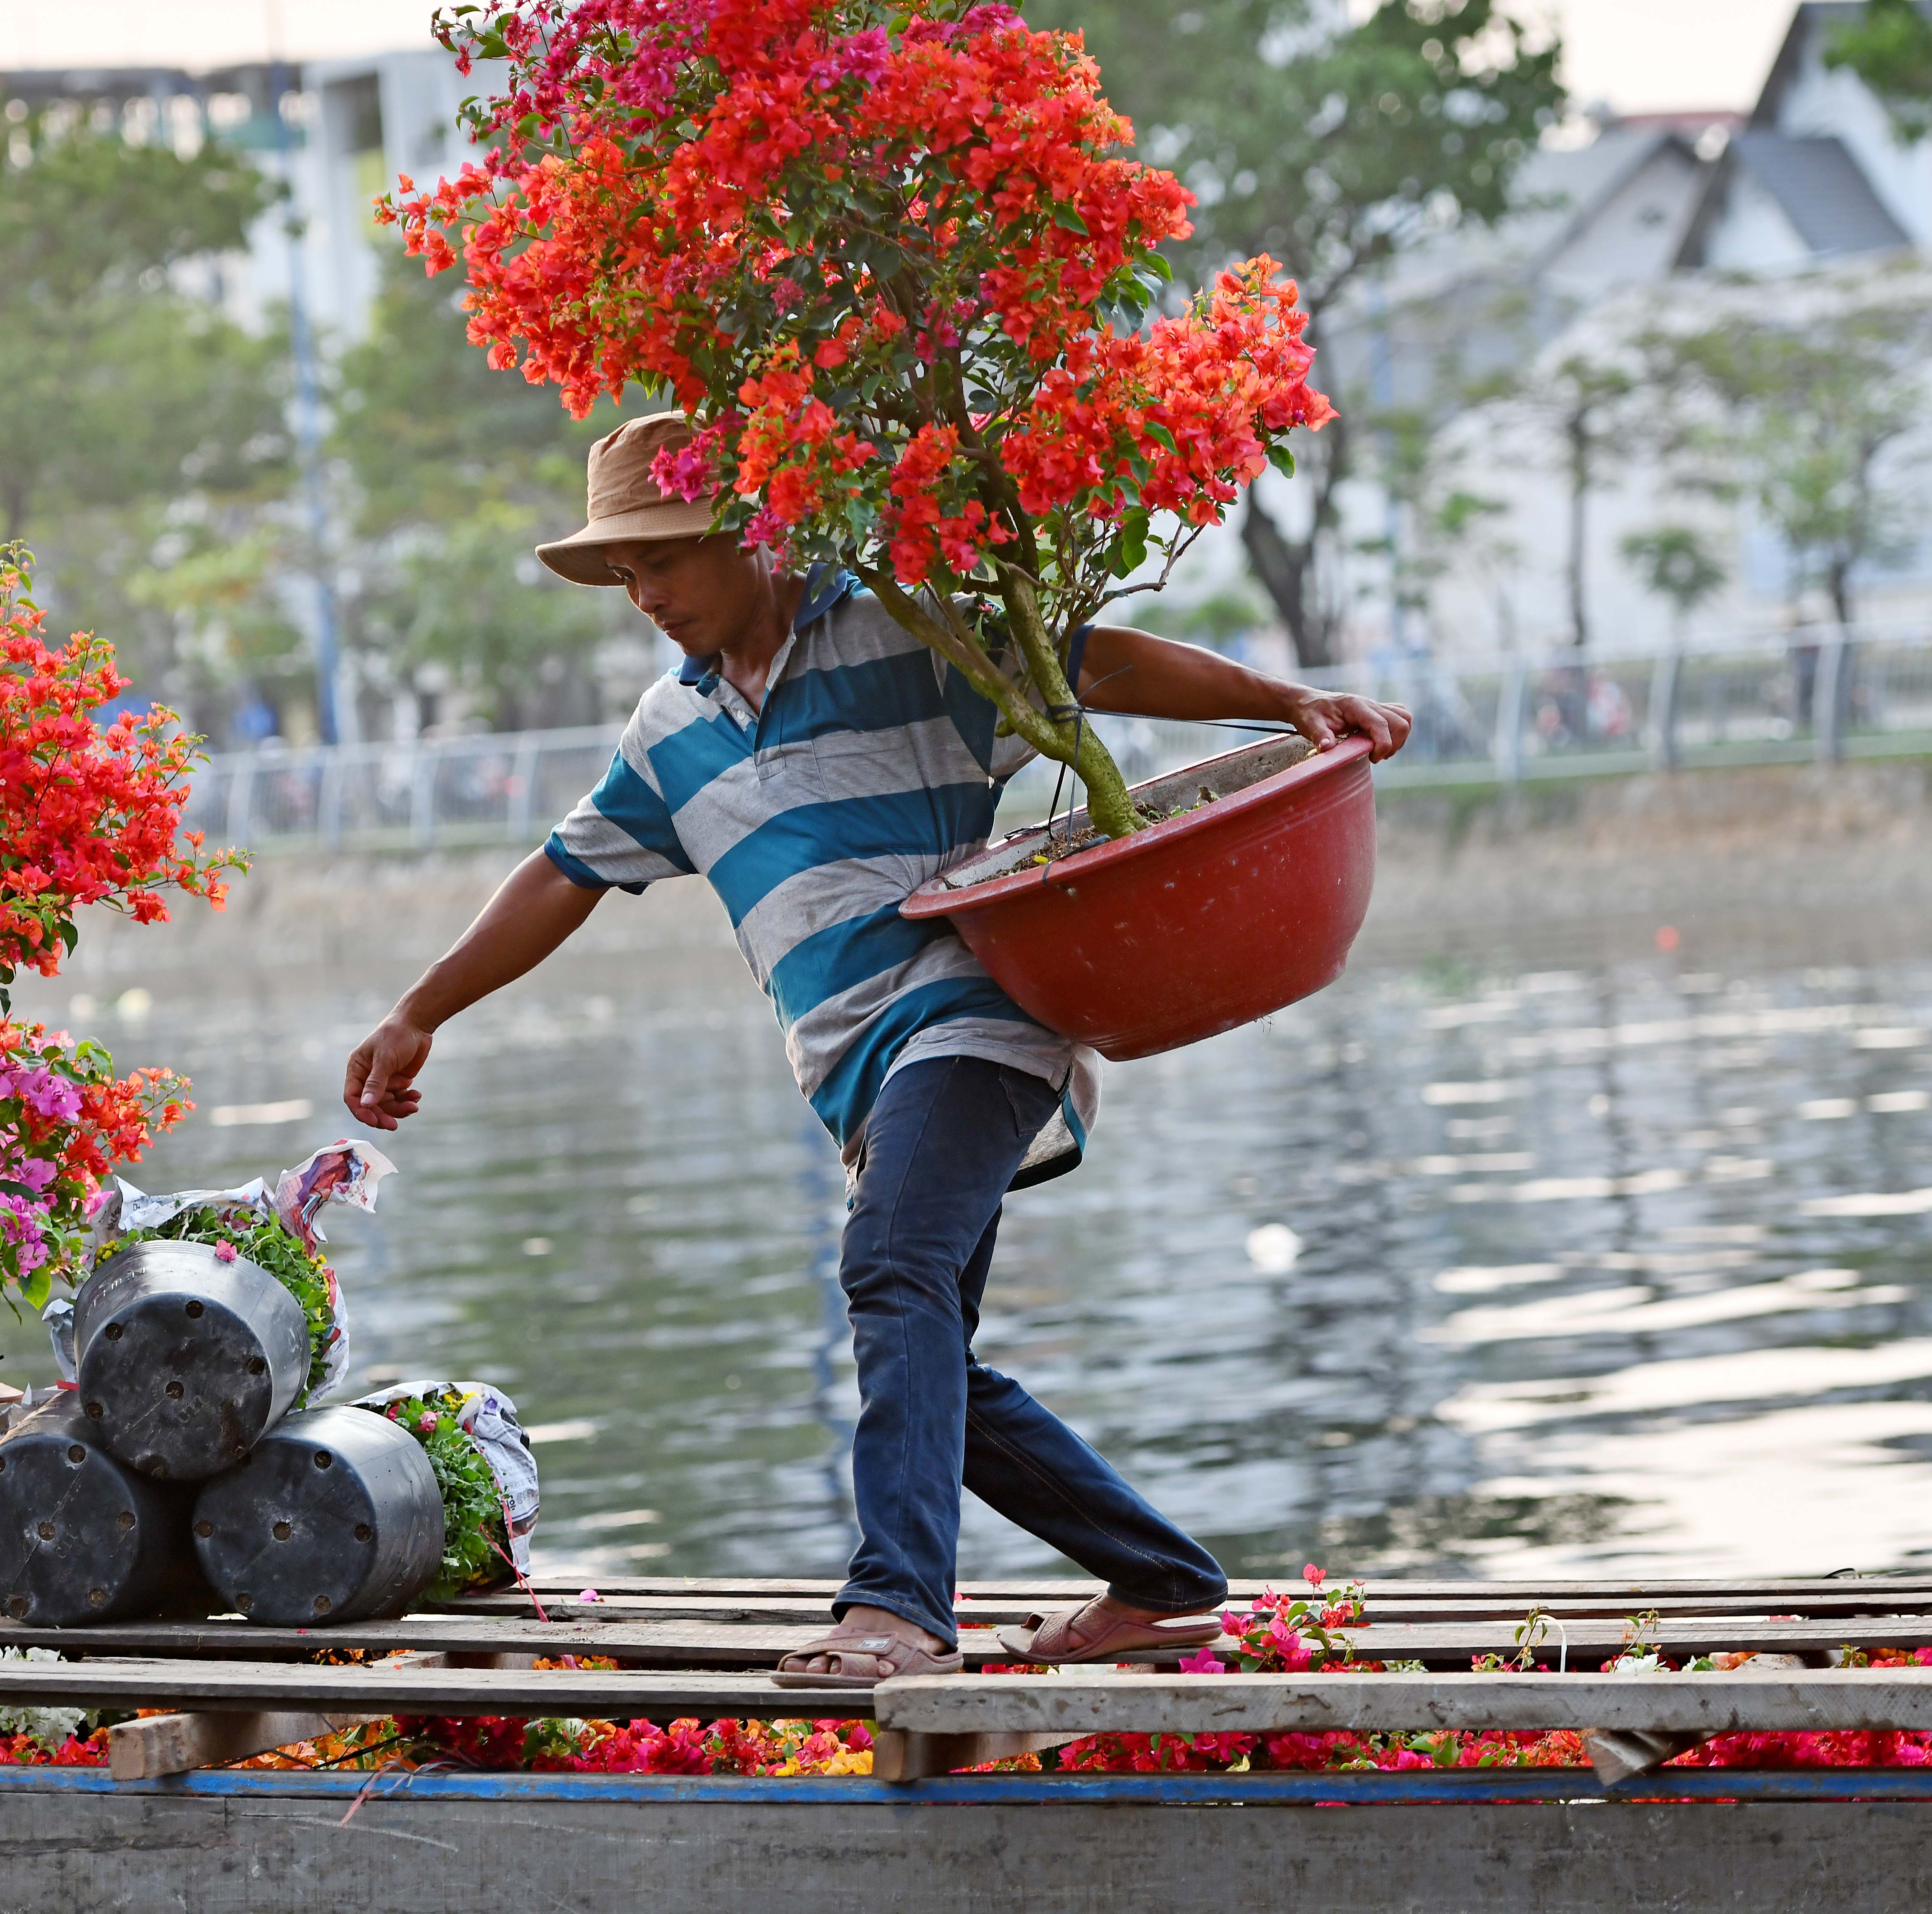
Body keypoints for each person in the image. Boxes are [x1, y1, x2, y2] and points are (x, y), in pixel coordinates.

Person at [341, 412, 1412, 1686]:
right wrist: (420, 1012)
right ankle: (1164, 1582)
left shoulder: (906, 635)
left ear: (757, 536)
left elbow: (1092, 663)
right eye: (626, 574)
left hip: (975, 1022)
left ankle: (898, 1607)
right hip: (852, 1072)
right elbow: (561, 877)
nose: (646, 595)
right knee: (927, 1356)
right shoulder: (666, 734)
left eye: (666, 560)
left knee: (890, 1269)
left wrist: (1285, 700)